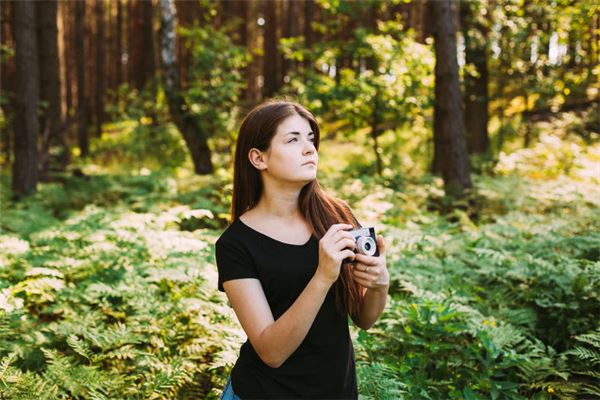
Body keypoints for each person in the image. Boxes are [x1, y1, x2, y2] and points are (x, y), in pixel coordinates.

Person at [215, 98, 389, 399]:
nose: (309, 149)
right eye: (293, 140)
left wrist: (379, 282)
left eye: (311, 139)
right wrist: (322, 276)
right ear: (259, 158)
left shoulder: (336, 216)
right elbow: (271, 352)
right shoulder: (235, 244)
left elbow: (364, 318)